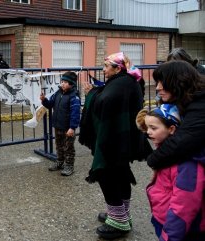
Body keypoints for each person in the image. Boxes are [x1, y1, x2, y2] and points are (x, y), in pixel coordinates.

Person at [79, 52, 145, 239]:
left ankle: (119, 222)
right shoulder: (127, 81)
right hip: (122, 140)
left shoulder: (121, 85)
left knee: (106, 175)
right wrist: (95, 91)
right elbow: (107, 96)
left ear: (117, 68)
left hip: (114, 141)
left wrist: (90, 93)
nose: (103, 69)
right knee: (121, 173)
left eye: (106, 66)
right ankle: (121, 214)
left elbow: (103, 102)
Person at [136, 104, 205, 241]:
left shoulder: (184, 163)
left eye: (153, 128)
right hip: (164, 219)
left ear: (171, 129)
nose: (148, 132)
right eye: (147, 127)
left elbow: (184, 206)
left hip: (180, 229)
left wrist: (169, 236)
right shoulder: (165, 153)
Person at [146, 60, 205, 170]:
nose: (158, 87)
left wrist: (152, 159)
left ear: (180, 82)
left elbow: (182, 142)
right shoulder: (186, 99)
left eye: (162, 81)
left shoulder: (200, 104)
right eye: (157, 82)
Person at [40, 71, 81, 176]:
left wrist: (72, 128)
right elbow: (49, 104)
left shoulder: (74, 96)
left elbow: (75, 113)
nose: (62, 83)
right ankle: (59, 161)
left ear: (71, 84)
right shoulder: (58, 93)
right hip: (58, 125)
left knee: (68, 147)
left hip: (68, 127)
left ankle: (69, 165)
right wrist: (44, 100)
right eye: (62, 81)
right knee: (59, 145)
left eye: (66, 82)